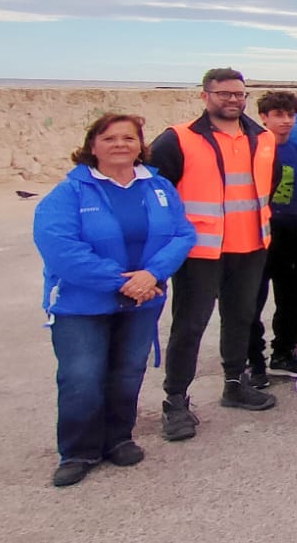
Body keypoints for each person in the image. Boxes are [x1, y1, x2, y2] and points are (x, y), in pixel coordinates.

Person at [33, 114, 195, 487]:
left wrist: (152, 275)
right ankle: (78, 450)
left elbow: (182, 234)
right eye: (110, 138)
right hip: (82, 304)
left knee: (127, 372)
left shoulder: (158, 187)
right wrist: (122, 282)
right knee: (82, 377)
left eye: (128, 138)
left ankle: (119, 437)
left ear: (140, 145)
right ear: (93, 146)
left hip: (144, 299)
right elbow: (60, 248)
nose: (120, 144)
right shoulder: (70, 193)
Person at [148, 68, 278, 438]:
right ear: (205, 95)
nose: (233, 100)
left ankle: (235, 384)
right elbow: (155, 192)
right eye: (224, 94)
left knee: (240, 318)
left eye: (239, 94)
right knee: (190, 325)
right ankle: (175, 400)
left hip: (250, 245)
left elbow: (265, 189)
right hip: (200, 251)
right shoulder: (179, 139)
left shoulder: (263, 137)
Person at [248, 90, 297, 383]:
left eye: (290, 115)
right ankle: (253, 361)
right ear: (264, 117)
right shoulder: (254, 149)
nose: (285, 121)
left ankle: (283, 352)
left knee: (292, 297)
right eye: (278, 115)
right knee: (252, 299)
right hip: (259, 231)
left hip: (294, 230)